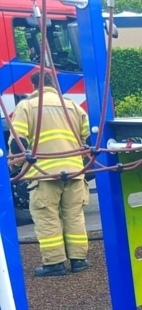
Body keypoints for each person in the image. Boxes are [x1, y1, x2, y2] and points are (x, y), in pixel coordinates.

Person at [8, 69, 91, 276]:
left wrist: (14, 166)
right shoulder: (72, 106)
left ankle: (54, 263)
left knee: (47, 217)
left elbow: (19, 144)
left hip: (44, 173)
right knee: (74, 215)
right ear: (54, 84)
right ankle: (79, 260)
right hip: (75, 172)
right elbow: (89, 140)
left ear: (33, 86)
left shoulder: (26, 106)